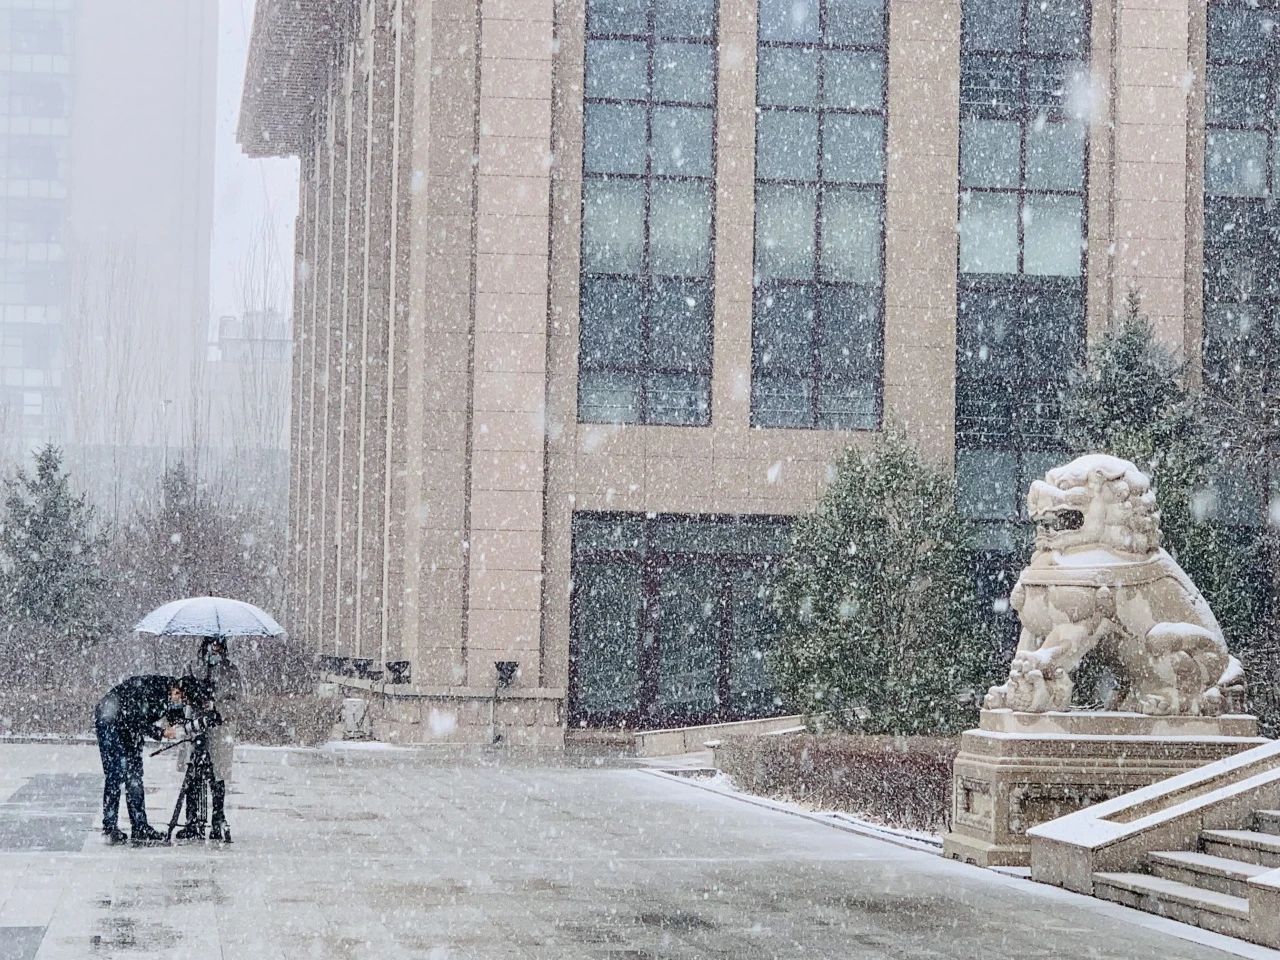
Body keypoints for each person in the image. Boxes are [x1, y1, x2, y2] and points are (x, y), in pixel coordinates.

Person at [94, 675, 200, 846]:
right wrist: (161, 733)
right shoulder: (151, 689)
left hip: (128, 725)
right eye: (179, 695)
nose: (179, 700)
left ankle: (140, 826)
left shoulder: (172, 698)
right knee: (116, 772)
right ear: (175, 688)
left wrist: (193, 724)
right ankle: (110, 826)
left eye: (183, 699)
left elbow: (177, 722)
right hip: (110, 719)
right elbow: (135, 719)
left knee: (135, 775)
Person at [175, 637, 242, 842]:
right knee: (193, 774)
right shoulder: (192, 666)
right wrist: (197, 699)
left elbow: (236, 700)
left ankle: (217, 819)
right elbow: (181, 693)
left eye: (219, 645)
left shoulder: (231, 671)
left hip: (219, 730)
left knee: (217, 775)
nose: (215, 649)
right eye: (212, 644)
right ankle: (192, 821)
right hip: (196, 727)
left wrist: (217, 708)